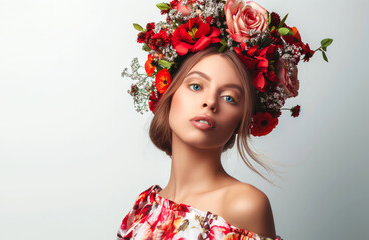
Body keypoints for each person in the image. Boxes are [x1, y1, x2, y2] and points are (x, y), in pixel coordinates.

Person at [119, 0, 331, 239]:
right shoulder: (144, 207)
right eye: (196, 86)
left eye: (230, 98)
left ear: (242, 118)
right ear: (167, 94)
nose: (210, 102)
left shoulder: (245, 206)